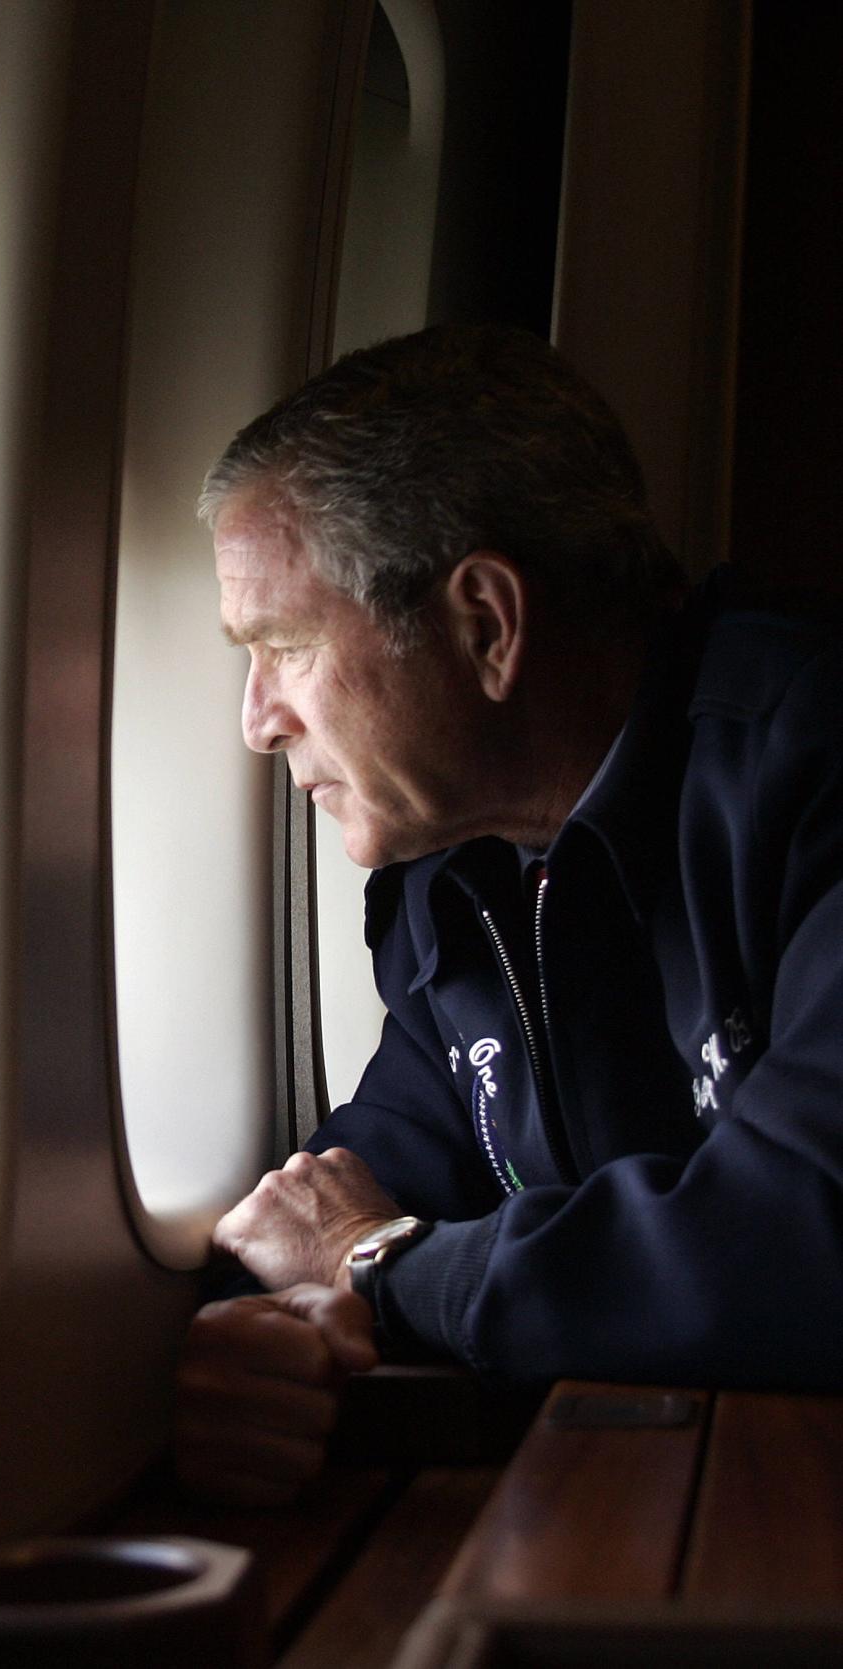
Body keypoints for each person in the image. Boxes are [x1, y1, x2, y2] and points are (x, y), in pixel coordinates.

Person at [174, 323, 843, 1506]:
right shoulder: (458, 888)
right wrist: (272, 1335)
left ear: (485, 622)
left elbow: (801, 1245)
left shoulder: (809, 770)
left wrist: (380, 1261)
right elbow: (351, 1185)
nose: (257, 720)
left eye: (283, 644)